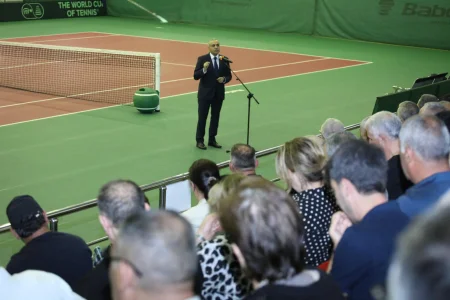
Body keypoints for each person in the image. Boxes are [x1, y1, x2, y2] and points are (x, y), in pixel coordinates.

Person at [193, 38, 232, 150]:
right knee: (202, 117)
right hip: (205, 95)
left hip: (218, 94)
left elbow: (229, 76)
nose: (216, 47)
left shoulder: (224, 60)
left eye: (217, 45)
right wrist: (204, 69)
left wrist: (224, 79)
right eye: (213, 45)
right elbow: (196, 76)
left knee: (215, 117)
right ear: (209, 47)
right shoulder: (202, 59)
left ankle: (212, 139)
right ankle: (199, 140)